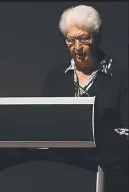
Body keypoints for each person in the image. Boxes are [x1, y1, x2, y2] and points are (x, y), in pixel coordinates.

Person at [41, 5, 128, 144]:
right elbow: (42, 124)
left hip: (106, 160)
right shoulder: (56, 77)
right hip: (63, 160)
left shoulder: (119, 77)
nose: (77, 47)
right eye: (71, 40)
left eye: (84, 39)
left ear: (97, 38)